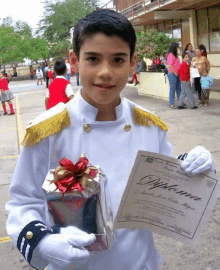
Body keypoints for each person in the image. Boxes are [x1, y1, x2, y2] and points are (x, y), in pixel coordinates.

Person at [5, 9, 216, 270]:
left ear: (132, 62)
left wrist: (195, 169)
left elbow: (163, 185)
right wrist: (42, 242)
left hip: (140, 262)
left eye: (117, 60)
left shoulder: (149, 125)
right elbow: (23, 202)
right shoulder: (47, 131)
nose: (105, 72)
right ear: (74, 60)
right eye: (93, 59)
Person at [167, 43, 181, 109]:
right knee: (172, 88)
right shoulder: (170, 55)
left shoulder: (175, 56)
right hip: (172, 74)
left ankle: (180, 102)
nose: (178, 49)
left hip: (178, 74)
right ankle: (171, 103)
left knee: (179, 88)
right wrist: (175, 72)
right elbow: (170, 66)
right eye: (177, 47)